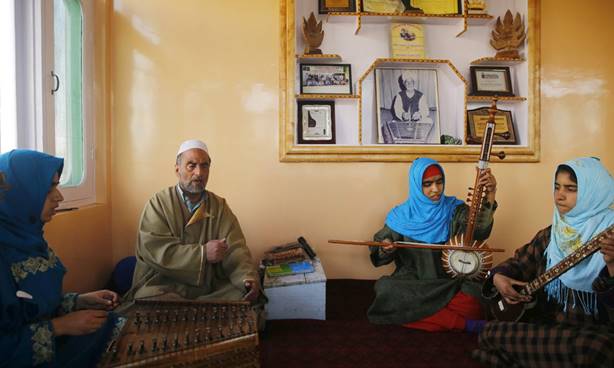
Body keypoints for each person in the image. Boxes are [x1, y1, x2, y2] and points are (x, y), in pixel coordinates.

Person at [473, 157, 614, 367]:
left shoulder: (610, 236)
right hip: (547, 328)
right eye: (557, 187)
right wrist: (499, 277)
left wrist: (611, 265)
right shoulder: (552, 235)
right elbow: (520, 263)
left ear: (593, 192)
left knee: (599, 349)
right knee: (489, 332)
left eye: (571, 188)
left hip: (590, 333)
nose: (560, 195)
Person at [0, 150, 122, 367]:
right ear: (20, 195)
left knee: (115, 325)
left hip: (51, 346)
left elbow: (33, 309)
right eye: (48, 190)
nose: (59, 197)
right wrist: (60, 327)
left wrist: (78, 301)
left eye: (56, 186)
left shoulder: (30, 239)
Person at [124, 139, 262, 306]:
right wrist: (203, 254)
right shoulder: (158, 203)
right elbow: (154, 249)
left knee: (241, 293)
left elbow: (235, 249)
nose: (199, 172)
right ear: (177, 169)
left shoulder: (219, 206)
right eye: (191, 165)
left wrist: (246, 278)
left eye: (204, 166)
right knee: (151, 300)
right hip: (164, 284)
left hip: (207, 286)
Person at [368, 157, 498, 332]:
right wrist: (385, 246)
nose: (435, 189)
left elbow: (479, 232)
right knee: (386, 290)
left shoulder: (455, 209)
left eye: (439, 182)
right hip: (415, 282)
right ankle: (465, 325)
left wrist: (490, 193)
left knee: (472, 302)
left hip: (448, 283)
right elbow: (379, 249)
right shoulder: (400, 215)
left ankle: (426, 316)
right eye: (427, 184)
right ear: (415, 185)